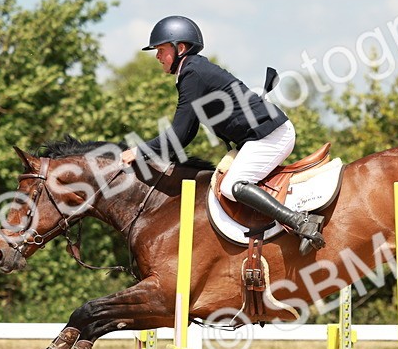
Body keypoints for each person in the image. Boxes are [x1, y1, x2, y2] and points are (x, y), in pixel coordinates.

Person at [120, 15, 324, 252]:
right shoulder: (192, 70)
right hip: (259, 136)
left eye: (161, 49)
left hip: (270, 136)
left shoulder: (192, 73)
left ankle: (302, 222)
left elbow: (177, 135)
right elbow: (185, 135)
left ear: (180, 48)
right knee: (222, 181)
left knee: (232, 185)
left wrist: (139, 151)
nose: (157, 56)